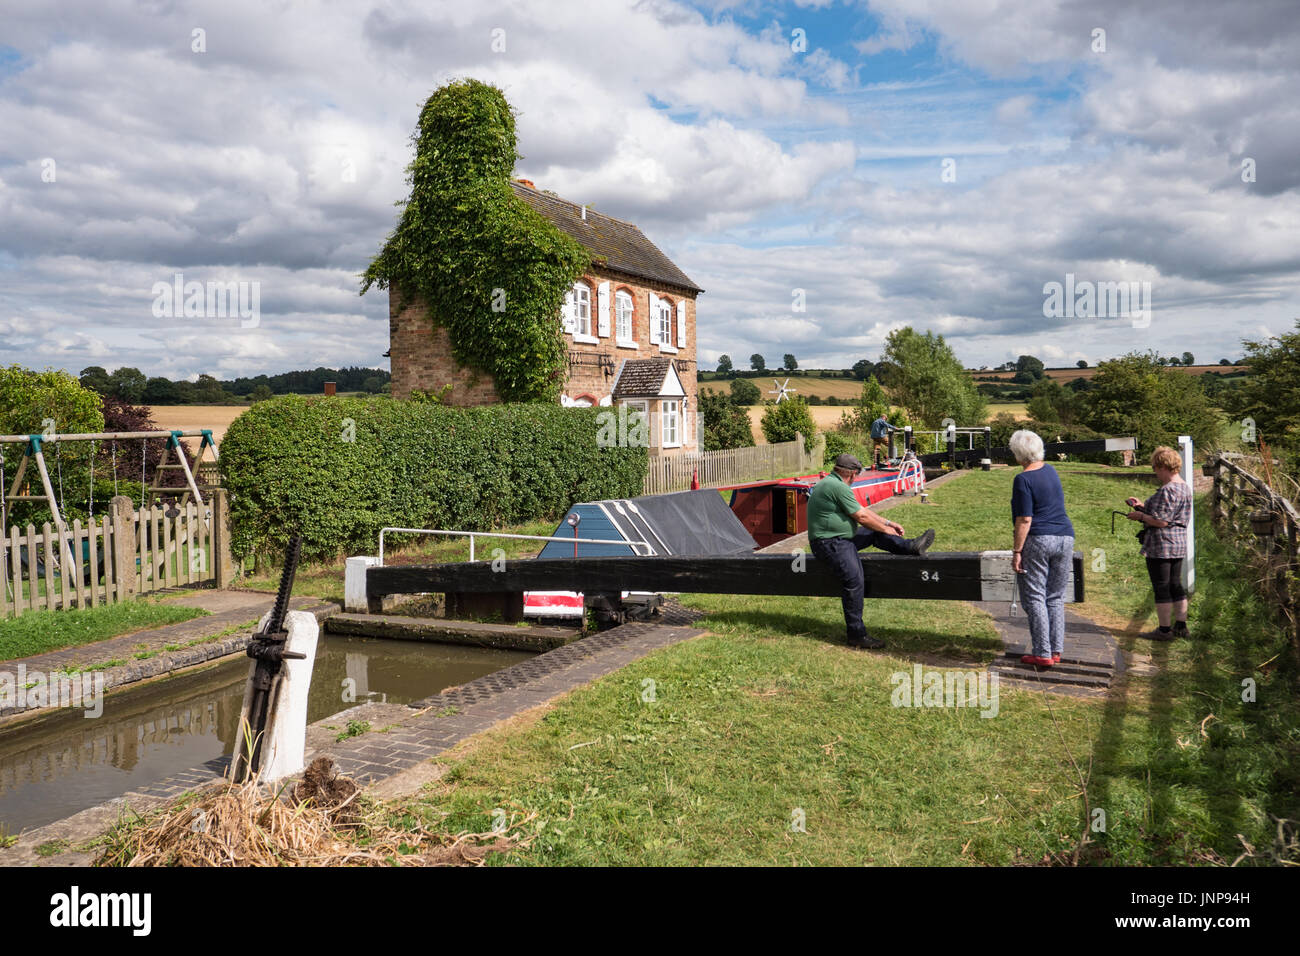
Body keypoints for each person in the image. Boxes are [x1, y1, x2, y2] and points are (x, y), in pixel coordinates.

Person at [808, 453, 936, 649]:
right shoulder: (838, 487)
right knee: (854, 581)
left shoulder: (831, 483)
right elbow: (861, 517)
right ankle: (856, 634)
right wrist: (885, 529)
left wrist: (887, 523)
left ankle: (911, 546)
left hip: (838, 539)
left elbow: (863, 510)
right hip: (831, 544)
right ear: (851, 474)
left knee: (873, 533)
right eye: (856, 476)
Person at [1009, 430, 1075, 667]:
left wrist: (1017, 551)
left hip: (1039, 539)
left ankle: (1042, 653)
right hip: (1065, 537)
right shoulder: (1051, 470)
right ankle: (1055, 650)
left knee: (1035, 596)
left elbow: (1025, 519)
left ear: (1018, 454)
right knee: (1055, 596)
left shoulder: (1023, 479)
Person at [1127, 446, 1192, 640]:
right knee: (1175, 585)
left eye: (1155, 467)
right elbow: (1168, 514)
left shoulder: (1167, 490)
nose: (1155, 472)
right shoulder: (1184, 487)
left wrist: (1140, 516)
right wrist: (1144, 507)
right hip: (1178, 542)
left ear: (1163, 466)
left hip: (1162, 544)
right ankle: (1181, 626)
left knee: (1161, 587)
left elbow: (1161, 521)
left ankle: (1164, 630)